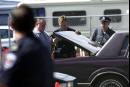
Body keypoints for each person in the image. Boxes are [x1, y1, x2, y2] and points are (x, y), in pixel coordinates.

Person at [0, 4, 53, 87]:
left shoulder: (17, 51)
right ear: (33, 24)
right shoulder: (43, 49)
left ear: (12, 25)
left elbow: (4, 82)